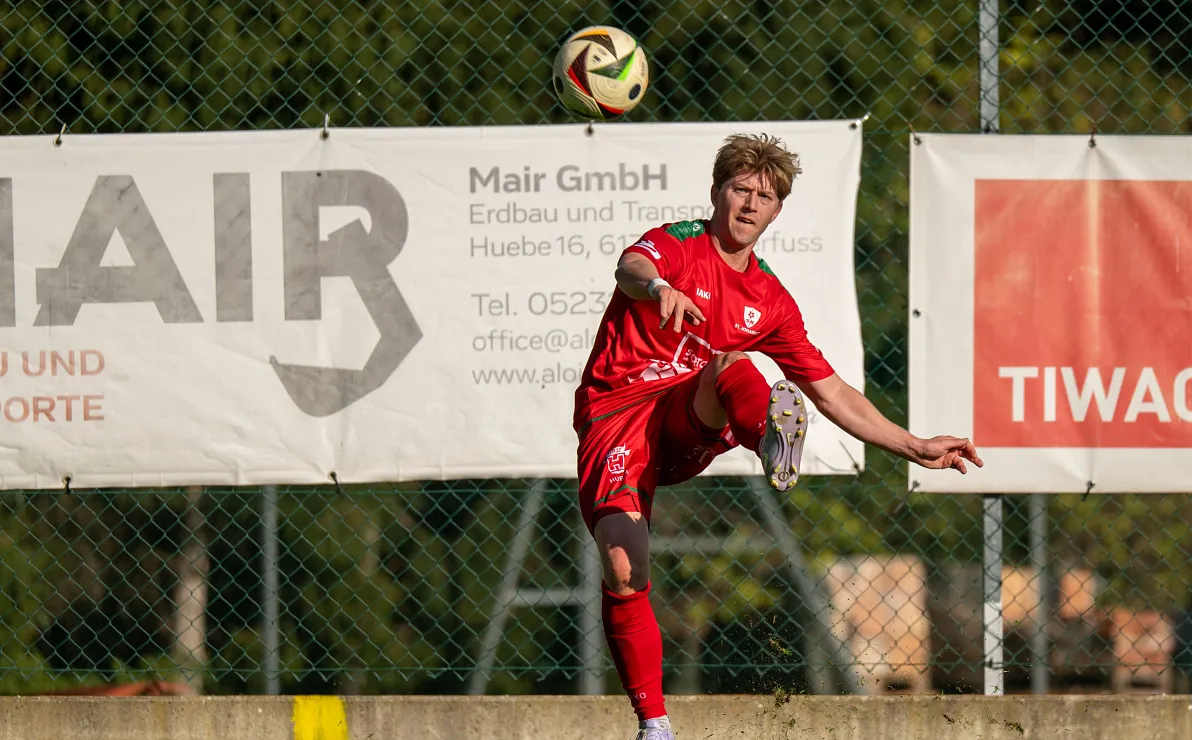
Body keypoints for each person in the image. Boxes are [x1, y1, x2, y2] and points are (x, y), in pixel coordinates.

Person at [571, 132, 983, 740]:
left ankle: (769, 436)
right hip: (619, 417)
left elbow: (833, 393)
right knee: (623, 567)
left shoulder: (768, 298)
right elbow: (631, 267)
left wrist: (915, 445)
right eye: (740, 188)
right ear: (717, 192)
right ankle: (654, 727)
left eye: (764, 195)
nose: (749, 204)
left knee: (731, 364)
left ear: (777, 210)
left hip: (689, 420)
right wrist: (660, 288)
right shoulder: (677, 246)